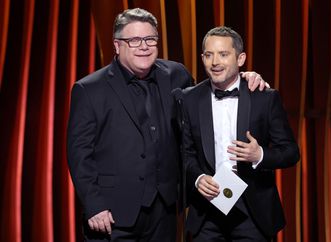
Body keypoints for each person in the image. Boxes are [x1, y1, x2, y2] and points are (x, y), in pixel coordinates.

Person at [67, 8, 266, 242]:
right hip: (112, 213)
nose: (144, 46)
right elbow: (79, 153)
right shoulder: (89, 89)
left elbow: (209, 100)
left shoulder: (176, 74)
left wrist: (244, 77)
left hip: (166, 211)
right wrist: (94, 204)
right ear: (117, 45)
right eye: (134, 40)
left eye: (150, 39)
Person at [182, 26, 300, 241]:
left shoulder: (264, 97)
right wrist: (198, 178)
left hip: (253, 212)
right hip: (207, 212)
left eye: (223, 54)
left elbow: (291, 152)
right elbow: (184, 153)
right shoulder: (189, 99)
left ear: (240, 58)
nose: (215, 62)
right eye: (209, 55)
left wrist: (260, 155)